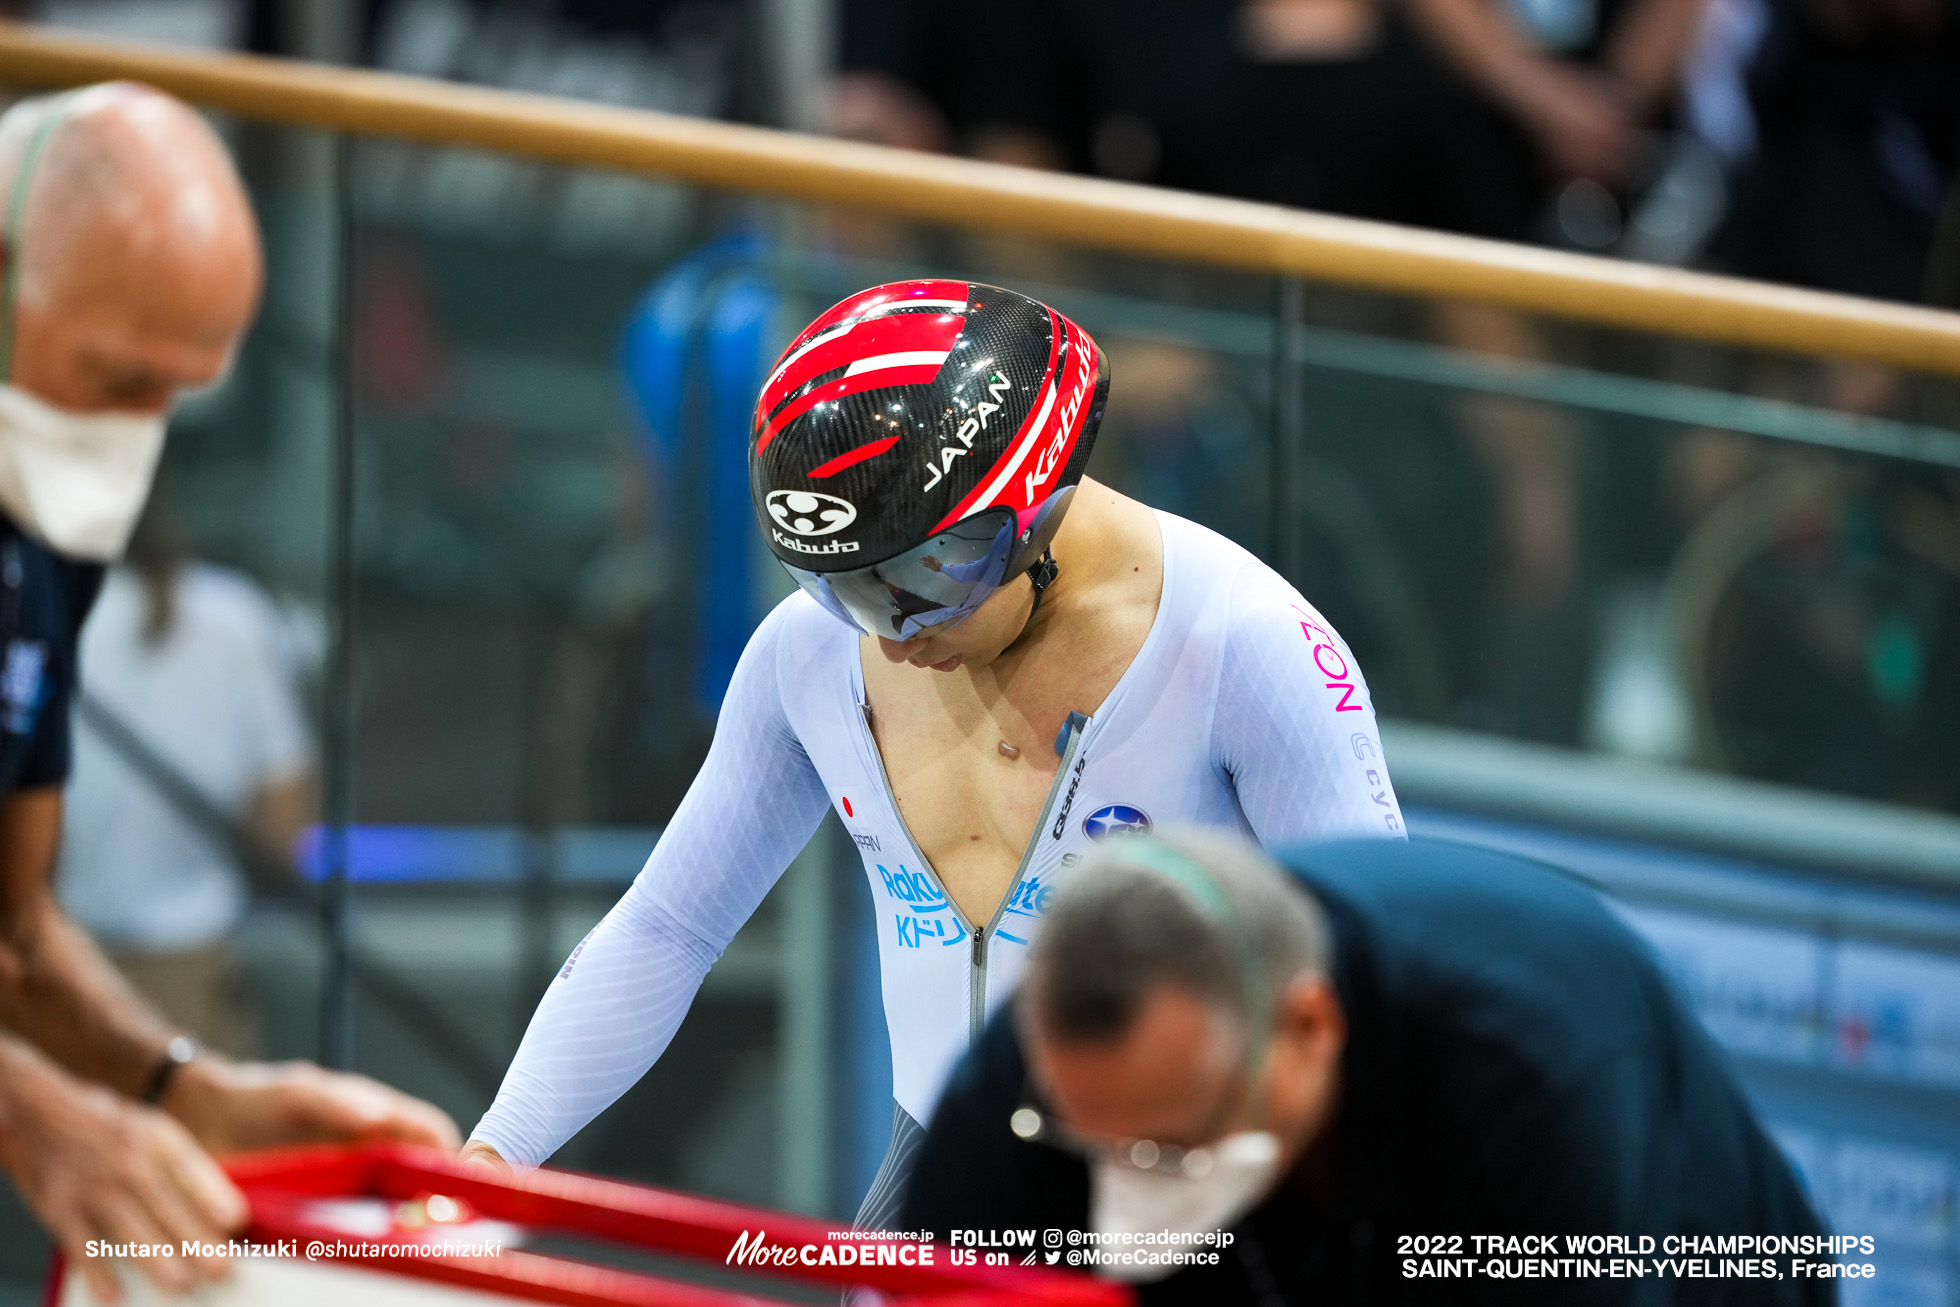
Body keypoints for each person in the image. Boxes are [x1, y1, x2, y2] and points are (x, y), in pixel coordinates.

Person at [462, 281, 1406, 1225]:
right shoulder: (807, 650)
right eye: (840, 586)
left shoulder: (1252, 645)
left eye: (921, 577)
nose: (893, 635)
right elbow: (669, 928)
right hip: (940, 1173)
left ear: (1038, 505)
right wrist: (493, 1158)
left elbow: (1389, 978)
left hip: (1191, 1189)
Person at [0, 83, 458, 1303]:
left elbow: (17, 939)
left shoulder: (46, 515)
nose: (136, 431)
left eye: (174, 392)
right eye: (114, 377)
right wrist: (40, 1115)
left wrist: (183, 1088)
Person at [901, 831, 1832, 1304]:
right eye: (1091, 1137)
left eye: (1178, 1141)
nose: (1130, 1184)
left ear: (1311, 1024)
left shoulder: (1529, 1067)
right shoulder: (1033, 1074)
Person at [56, 493, 315, 1056]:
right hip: (194, 987)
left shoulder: (43, 612)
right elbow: (284, 823)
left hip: (58, 981)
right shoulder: (236, 618)